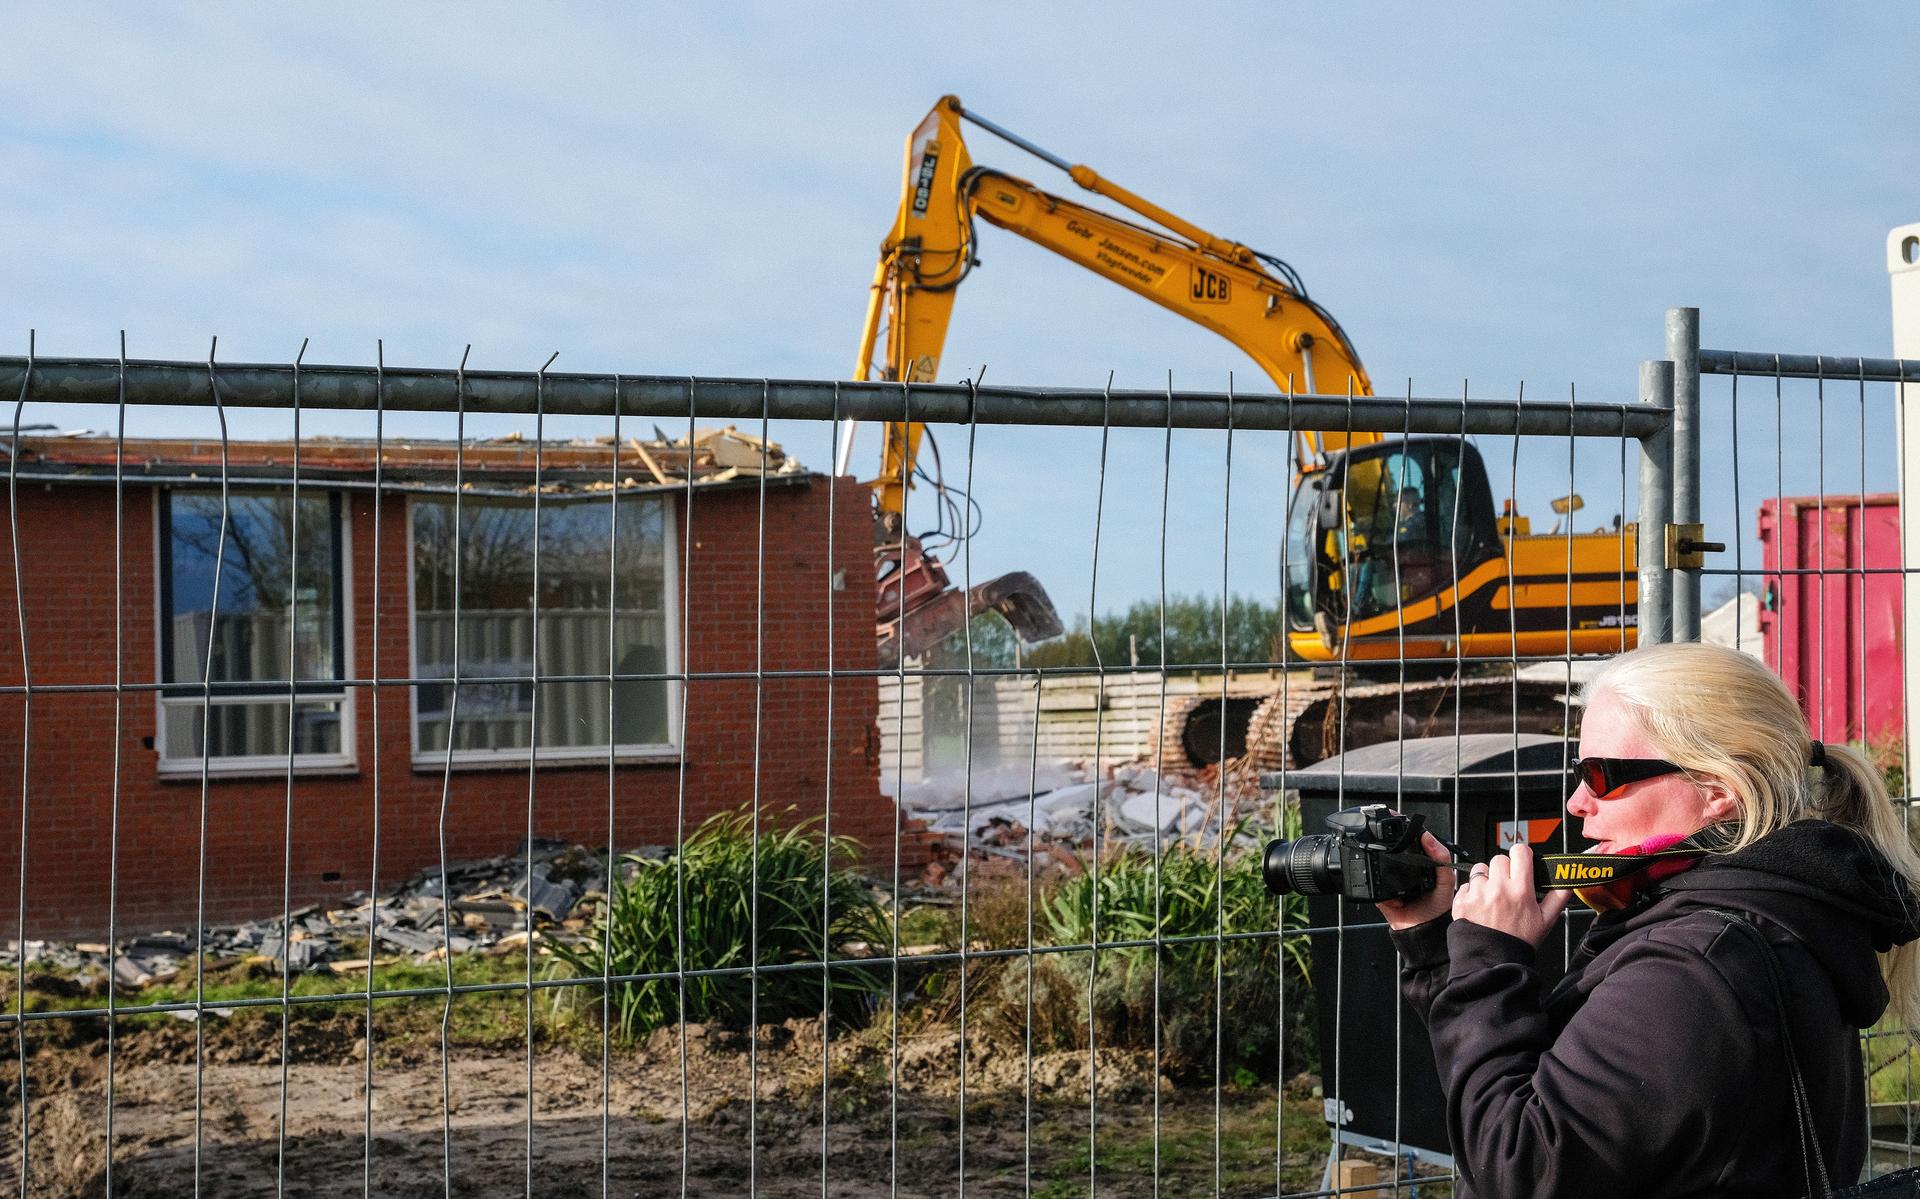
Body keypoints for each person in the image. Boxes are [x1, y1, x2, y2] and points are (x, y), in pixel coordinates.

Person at [1378, 641, 1920, 1197]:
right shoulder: (1759, 914)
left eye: (1602, 775)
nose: (1576, 804)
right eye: (1578, 772)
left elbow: (1523, 1169)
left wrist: (1489, 964)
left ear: (1718, 791)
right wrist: (1438, 950)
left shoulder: (1693, 968)